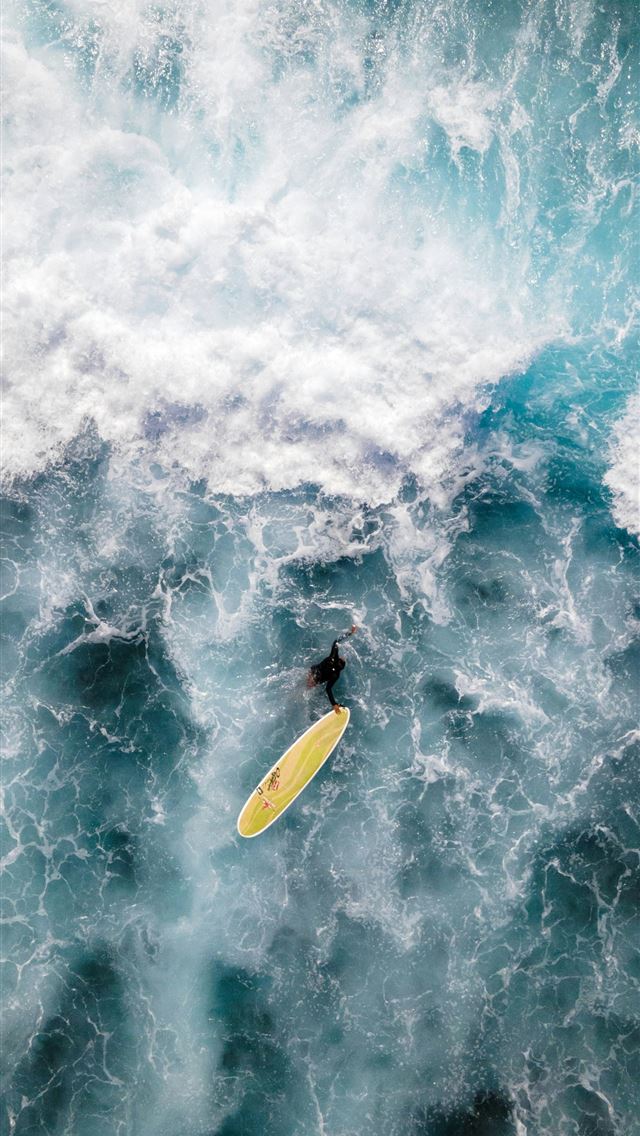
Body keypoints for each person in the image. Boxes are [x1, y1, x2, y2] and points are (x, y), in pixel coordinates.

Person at [306, 626, 357, 713]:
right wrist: (334, 704)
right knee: (308, 689)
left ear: (338, 660)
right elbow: (328, 689)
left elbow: (336, 642)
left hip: (313, 671)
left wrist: (349, 633)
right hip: (316, 680)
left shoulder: (333, 657)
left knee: (307, 685)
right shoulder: (336, 675)